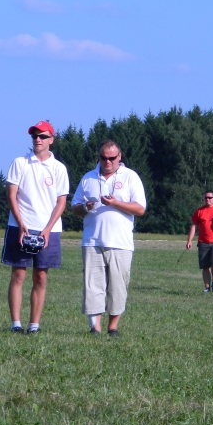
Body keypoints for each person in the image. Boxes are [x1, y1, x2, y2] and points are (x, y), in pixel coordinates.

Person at [72, 139, 146, 337]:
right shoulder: (88, 177)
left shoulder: (130, 177)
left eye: (112, 158)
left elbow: (140, 209)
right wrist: (85, 207)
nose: (108, 162)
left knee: (118, 286)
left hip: (120, 242)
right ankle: (94, 327)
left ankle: (113, 327)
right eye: (103, 158)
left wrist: (115, 203)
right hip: (92, 240)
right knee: (92, 285)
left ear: (119, 156)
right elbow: (75, 207)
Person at [2, 120, 69, 334]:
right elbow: (12, 196)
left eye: (42, 136)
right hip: (20, 226)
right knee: (18, 275)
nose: (38, 140)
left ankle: (34, 325)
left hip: (48, 230)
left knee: (40, 277)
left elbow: (61, 202)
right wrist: (21, 224)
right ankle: (16, 324)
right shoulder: (20, 163)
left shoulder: (59, 168)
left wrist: (47, 229)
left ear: (51, 139)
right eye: (34, 136)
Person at [186, 190, 213, 292]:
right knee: (205, 266)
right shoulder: (200, 211)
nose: (208, 199)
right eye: (206, 198)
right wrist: (189, 241)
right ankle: (207, 288)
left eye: (210, 197)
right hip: (203, 241)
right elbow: (194, 226)